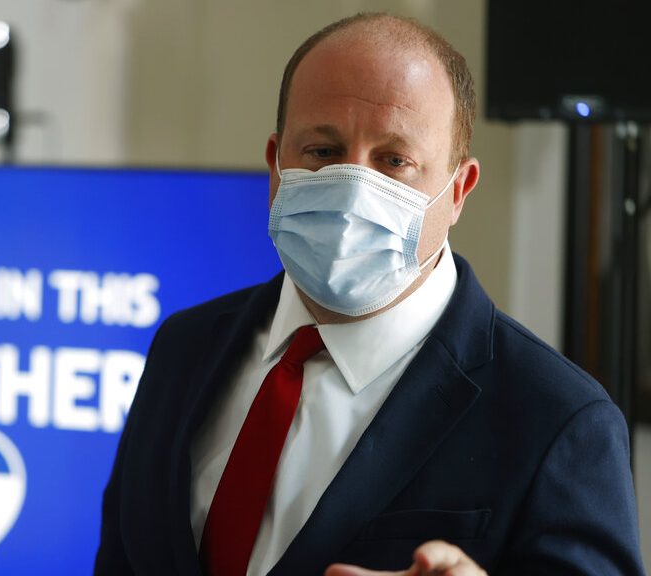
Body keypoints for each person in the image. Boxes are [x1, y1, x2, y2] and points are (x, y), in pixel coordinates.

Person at [95, 12, 643, 576]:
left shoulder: (558, 421)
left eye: (394, 161)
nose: (354, 186)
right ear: (275, 163)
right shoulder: (183, 347)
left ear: (458, 191)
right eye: (323, 151)